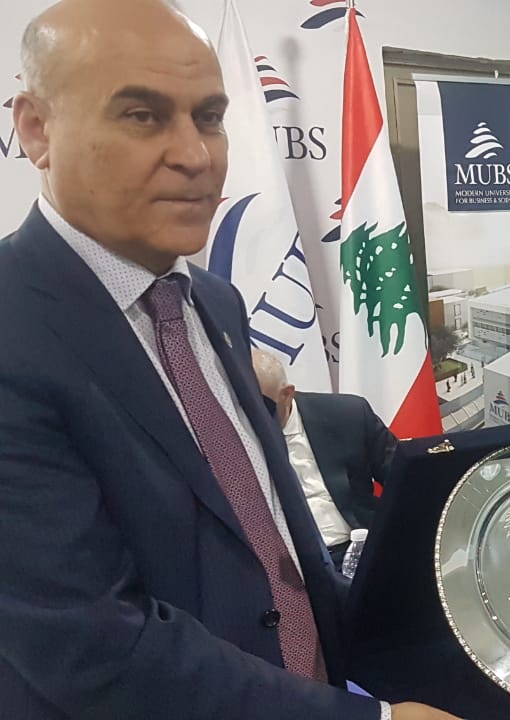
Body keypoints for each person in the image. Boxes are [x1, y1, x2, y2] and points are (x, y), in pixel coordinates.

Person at [0, 2, 452, 718]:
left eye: (208, 117)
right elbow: (91, 647)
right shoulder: (13, 329)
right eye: (142, 116)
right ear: (36, 129)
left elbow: (272, 544)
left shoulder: (214, 302)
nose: (196, 155)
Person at [252, 349, 396, 566]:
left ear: (287, 394)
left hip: (361, 549)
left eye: (260, 405)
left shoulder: (347, 414)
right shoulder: (230, 439)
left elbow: (403, 478)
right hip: (289, 564)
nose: (251, 414)